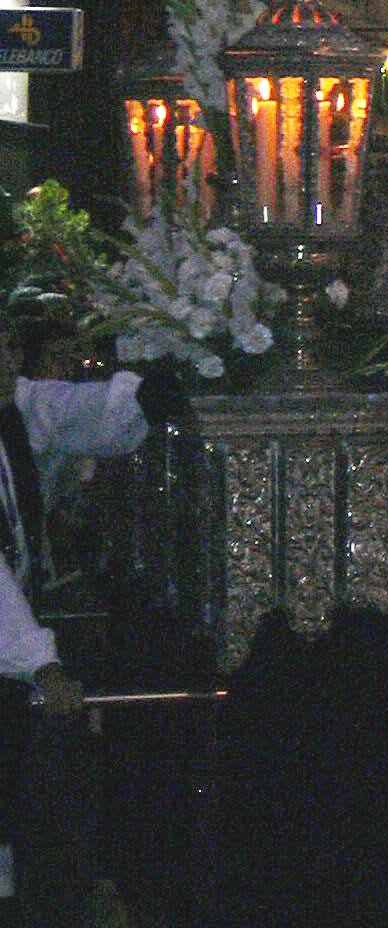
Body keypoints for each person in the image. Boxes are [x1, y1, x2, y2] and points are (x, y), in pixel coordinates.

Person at [0, 331, 182, 925]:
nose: (15, 360)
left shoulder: (16, 407)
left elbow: (74, 412)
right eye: (1, 351)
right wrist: (41, 663)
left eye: (11, 346)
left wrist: (143, 395)